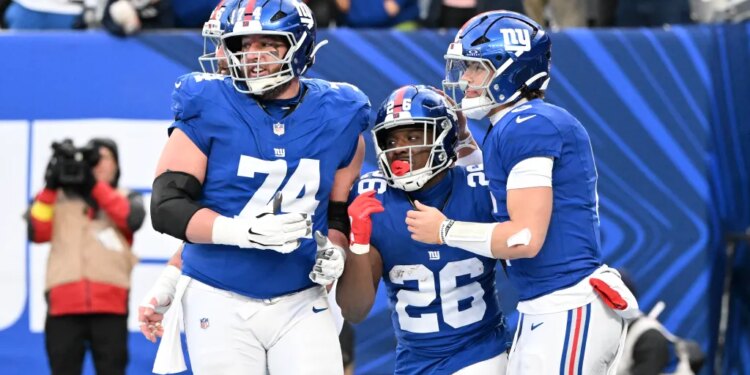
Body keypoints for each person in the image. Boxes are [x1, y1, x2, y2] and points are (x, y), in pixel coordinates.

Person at [407, 10, 639, 374]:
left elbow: (524, 237)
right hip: (546, 305)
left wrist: (444, 231)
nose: (465, 79)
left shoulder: (527, 126)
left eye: (476, 68)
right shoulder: (513, 125)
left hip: (566, 302)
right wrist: (466, 141)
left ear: (512, 69)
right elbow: (496, 190)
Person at [146, 0, 370, 373]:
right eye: (243, 45)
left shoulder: (341, 113)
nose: (253, 56)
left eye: (267, 44)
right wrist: (241, 231)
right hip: (218, 293)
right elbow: (167, 205)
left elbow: (338, 213)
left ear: (299, 45)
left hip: (302, 295)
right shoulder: (208, 102)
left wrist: (337, 250)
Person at [336, 85, 509, 375]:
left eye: (414, 136)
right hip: (413, 362)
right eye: (392, 139)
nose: (401, 149)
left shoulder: (479, 188)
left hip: (482, 354)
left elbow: (525, 257)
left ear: (444, 138)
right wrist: (359, 242)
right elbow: (354, 311)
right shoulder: (371, 199)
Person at [27, 138, 145, 375]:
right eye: (94, 159)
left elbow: (130, 220)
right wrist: (50, 187)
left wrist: (93, 187)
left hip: (110, 304)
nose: (99, 164)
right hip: (63, 305)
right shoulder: (55, 198)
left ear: (117, 166)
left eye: (105, 158)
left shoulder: (126, 196)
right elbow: (37, 232)